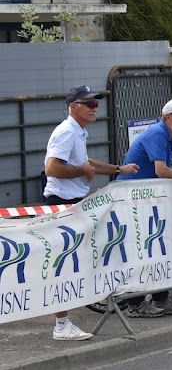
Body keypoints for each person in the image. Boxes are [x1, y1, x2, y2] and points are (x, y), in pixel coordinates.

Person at [42, 85, 139, 340]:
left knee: (84, 257)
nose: (96, 108)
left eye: (97, 103)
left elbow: (87, 163)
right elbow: (52, 168)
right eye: (90, 104)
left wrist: (120, 169)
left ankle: (92, 302)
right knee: (63, 265)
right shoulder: (66, 132)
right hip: (63, 202)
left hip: (73, 200)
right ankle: (61, 325)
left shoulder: (77, 132)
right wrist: (83, 172)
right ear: (74, 107)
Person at [118, 98, 172, 317]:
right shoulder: (157, 134)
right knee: (143, 251)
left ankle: (162, 298)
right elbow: (161, 170)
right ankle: (135, 304)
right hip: (135, 201)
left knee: (163, 248)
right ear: (168, 117)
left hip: (153, 202)